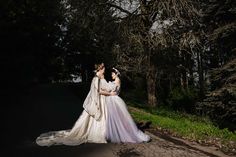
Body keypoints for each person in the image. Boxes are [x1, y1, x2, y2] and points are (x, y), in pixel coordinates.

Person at [36, 63, 114, 146]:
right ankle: (98, 134)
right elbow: (99, 91)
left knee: (99, 118)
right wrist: (110, 94)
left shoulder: (99, 77)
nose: (105, 69)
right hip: (99, 101)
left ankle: (103, 133)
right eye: (104, 68)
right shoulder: (96, 79)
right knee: (94, 119)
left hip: (101, 100)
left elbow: (102, 88)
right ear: (101, 68)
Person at [103, 68, 150, 143]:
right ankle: (115, 132)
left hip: (115, 100)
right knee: (113, 117)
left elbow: (115, 92)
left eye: (112, 74)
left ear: (116, 74)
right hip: (111, 100)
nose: (111, 75)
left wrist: (109, 91)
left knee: (120, 117)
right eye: (111, 74)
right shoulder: (115, 81)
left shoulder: (117, 80)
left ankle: (123, 132)